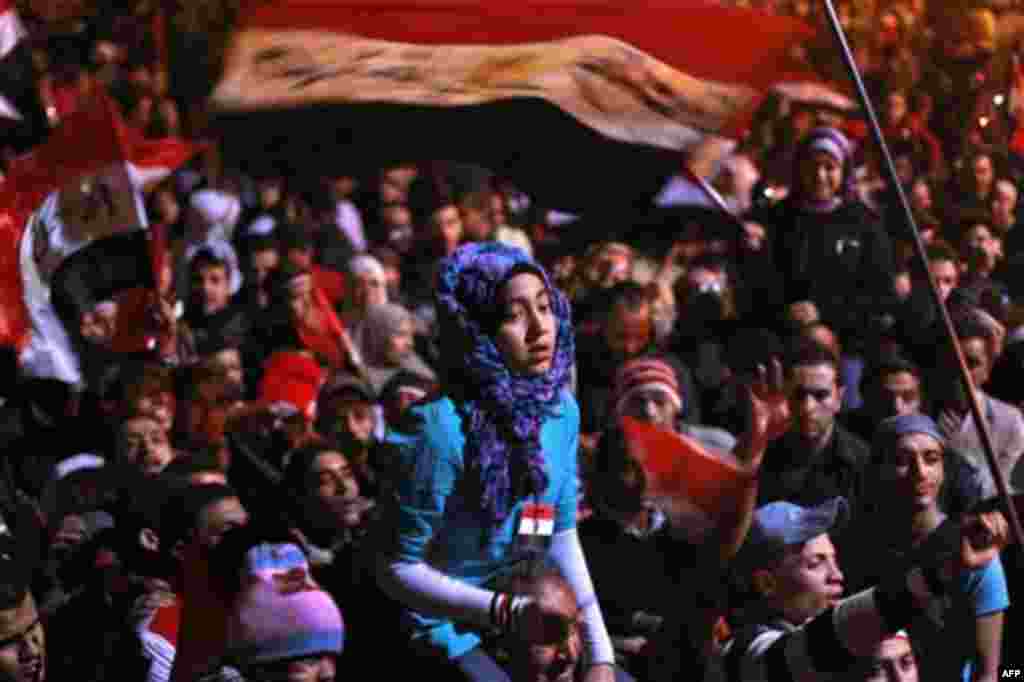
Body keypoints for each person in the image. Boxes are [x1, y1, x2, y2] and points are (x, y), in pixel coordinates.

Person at [376, 242, 629, 682]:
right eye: (513, 316)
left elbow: (560, 534)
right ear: (476, 330)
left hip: (534, 617)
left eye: (545, 307)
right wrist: (503, 612)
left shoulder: (560, 411)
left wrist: (601, 656)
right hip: (448, 629)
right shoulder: (437, 430)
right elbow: (396, 569)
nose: (539, 329)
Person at [723, 496, 1011, 682]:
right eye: (815, 563)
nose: (837, 575)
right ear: (766, 583)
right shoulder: (743, 654)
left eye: (834, 560)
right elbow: (815, 646)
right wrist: (940, 572)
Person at [845, 415, 1008, 682]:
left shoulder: (973, 549)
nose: (920, 471)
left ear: (944, 470)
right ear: (878, 469)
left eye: (931, 459)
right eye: (901, 460)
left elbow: (988, 674)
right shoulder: (858, 545)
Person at [753, 127, 895, 342]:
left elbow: (880, 292)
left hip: (848, 340)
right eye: (812, 166)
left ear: (844, 170)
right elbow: (762, 283)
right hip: (784, 334)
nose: (820, 176)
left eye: (830, 167)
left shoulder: (863, 221)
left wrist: (824, 312)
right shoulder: (777, 218)